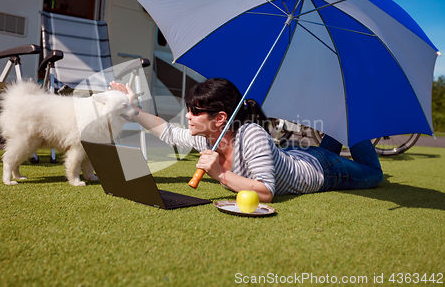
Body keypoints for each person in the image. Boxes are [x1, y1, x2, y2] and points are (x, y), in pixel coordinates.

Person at [110, 78, 383, 203]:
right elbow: (168, 132)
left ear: (219, 118)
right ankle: (343, 115)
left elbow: (265, 193)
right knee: (332, 139)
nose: (188, 117)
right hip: (293, 154)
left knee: (374, 174)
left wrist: (218, 173)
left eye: (195, 111)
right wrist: (132, 110)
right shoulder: (209, 138)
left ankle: (352, 110)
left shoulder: (251, 134)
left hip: (323, 171)